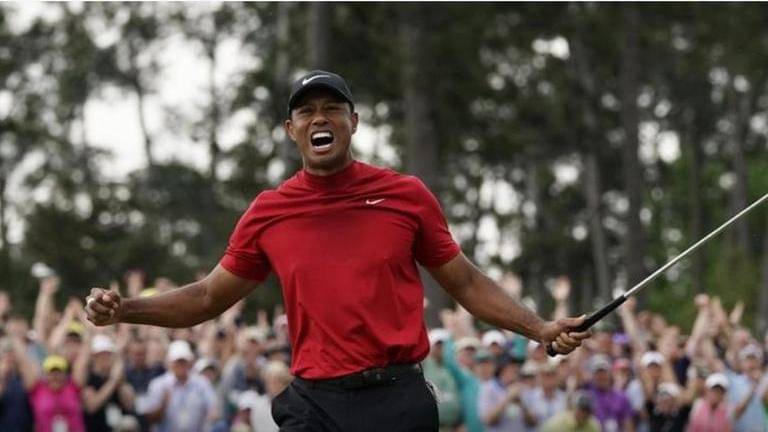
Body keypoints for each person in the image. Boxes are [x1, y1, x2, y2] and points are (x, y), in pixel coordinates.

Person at [84, 70, 591, 431]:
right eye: (306, 111)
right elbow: (205, 298)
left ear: (354, 121)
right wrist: (125, 310)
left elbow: (467, 283)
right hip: (316, 405)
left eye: (331, 109)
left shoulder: (405, 196)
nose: (319, 118)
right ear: (291, 130)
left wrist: (540, 328)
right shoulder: (269, 212)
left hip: (397, 399)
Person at [140, 340, 220, 432]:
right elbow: (150, 419)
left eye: (183, 361)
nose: (181, 365)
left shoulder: (202, 383)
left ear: (190, 362)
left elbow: (213, 407)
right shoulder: (159, 385)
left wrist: (212, 414)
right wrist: (163, 405)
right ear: (170, 362)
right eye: (177, 361)